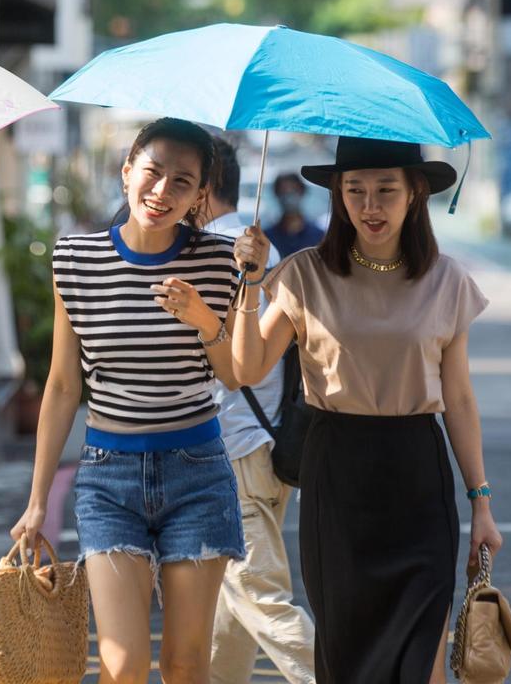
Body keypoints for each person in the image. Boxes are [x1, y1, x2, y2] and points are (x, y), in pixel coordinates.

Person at [231, 136, 503, 684]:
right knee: (349, 660)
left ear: (416, 193)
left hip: (418, 480)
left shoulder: (446, 280)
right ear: (337, 195)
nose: (370, 207)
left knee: (420, 658)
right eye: (355, 191)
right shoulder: (305, 274)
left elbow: (460, 398)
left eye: (385, 190)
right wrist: (251, 281)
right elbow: (246, 368)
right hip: (338, 478)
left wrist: (481, 503)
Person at [11, 118, 245, 684]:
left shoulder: (220, 262)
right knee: (121, 664)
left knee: (187, 665)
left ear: (199, 196)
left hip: (198, 474)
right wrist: (39, 499)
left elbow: (234, 375)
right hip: (107, 477)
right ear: (127, 174)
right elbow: (64, 385)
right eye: (154, 173)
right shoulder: (75, 259)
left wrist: (204, 318)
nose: (163, 192)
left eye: (182, 182)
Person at [199, 138, 316, 684]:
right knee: (230, 615)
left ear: (201, 189)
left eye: (180, 178)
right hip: (271, 444)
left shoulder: (209, 255)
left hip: (231, 452)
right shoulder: (262, 252)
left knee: (261, 598)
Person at [265, 173, 324, 258]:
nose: (289, 196)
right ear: (276, 195)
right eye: (283, 191)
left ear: (302, 192)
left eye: (293, 190)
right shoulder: (267, 238)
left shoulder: (319, 236)